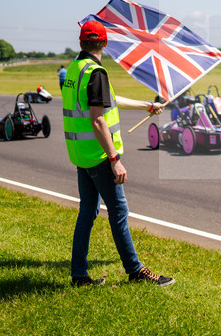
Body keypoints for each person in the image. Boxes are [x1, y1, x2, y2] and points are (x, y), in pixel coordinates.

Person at [63, 19, 174, 287]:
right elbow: (98, 119)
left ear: (81, 42)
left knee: (87, 214)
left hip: (82, 155)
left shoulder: (75, 69)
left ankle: (79, 275)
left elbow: (110, 99)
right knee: (118, 212)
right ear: (105, 43)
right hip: (100, 156)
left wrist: (147, 105)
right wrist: (114, 159)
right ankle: (135, 270)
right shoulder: (97, 72)